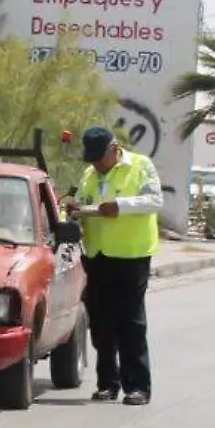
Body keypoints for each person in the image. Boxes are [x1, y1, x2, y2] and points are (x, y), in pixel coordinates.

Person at [64, 125, 161, 406]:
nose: (96, 164)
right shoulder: (90, 174)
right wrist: (74, 207)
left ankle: (138, 387)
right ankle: (108, 383)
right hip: (97, 255)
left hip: (132, 255)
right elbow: (84, 203)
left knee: (130, 321)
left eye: (99, 158)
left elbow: (155, 200)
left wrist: (120, 206)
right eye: (91, 159)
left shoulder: (141, 166)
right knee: (101, 322)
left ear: (114, 149)